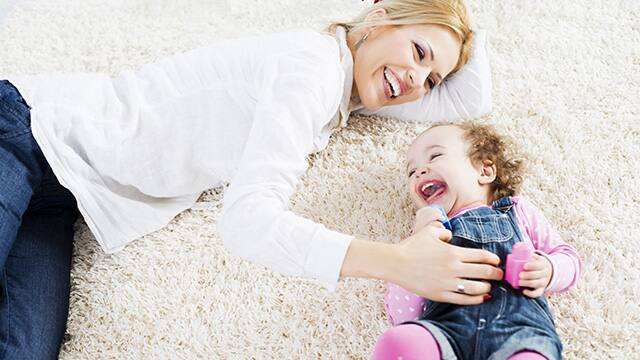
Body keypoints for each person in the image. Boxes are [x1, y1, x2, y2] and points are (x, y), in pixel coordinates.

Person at [0, 0, 500, 357]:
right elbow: (247, 220)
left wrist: (457, 28)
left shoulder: (347, 92)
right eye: (417, 50)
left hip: (65, 195)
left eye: (430, 77)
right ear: (377, 16)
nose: (417, 80)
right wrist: (396, 262)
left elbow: (468, 99)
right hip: (28, 129)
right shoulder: (310, 69)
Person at [372, 122, 582, 360]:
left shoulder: (516, 211)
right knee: (399, 341)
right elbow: (402, 314)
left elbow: (568, 257)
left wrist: (549, 270)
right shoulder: (426, 234)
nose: (420, 171)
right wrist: (418, 242)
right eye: (412, 171)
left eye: (435, 156)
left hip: (518, 330)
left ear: (484, 172)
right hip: (445, 329)